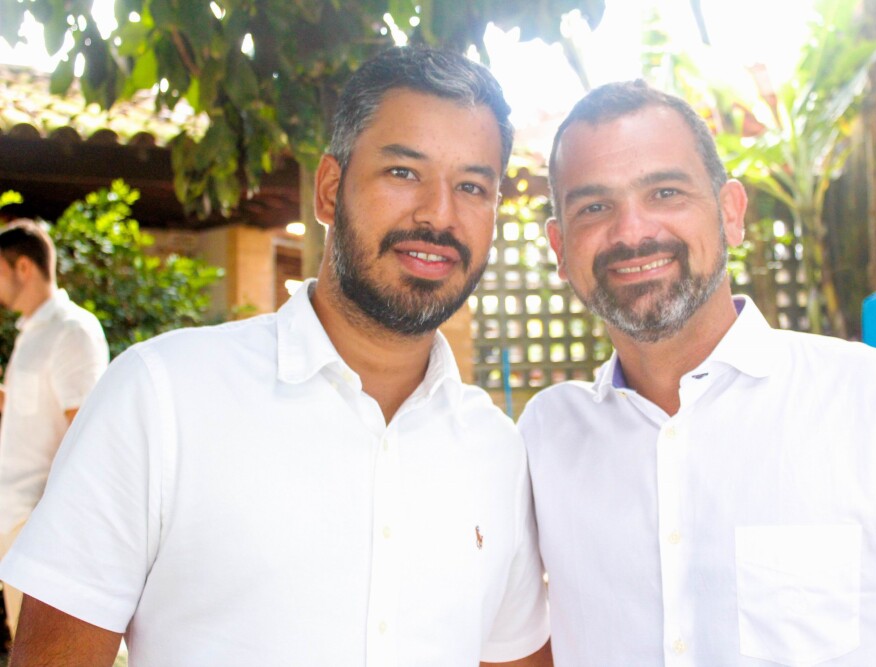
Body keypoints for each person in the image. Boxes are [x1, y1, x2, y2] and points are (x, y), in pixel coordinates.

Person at [0, 47, 551, 667]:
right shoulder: (161, 397)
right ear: (329, 190)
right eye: (403, 172)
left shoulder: (497, 451)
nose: (438, 214)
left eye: (472, 186)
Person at [519, 79, 876, 667]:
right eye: (594, 207)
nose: (633, 231)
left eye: (666, 192)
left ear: (730, 213)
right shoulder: (544, 437)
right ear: (560, 246)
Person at [0, 220, 109, 640]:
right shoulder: (32, 331)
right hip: (14, 518)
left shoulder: (72, 330)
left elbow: (85, 431)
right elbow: (35, 410)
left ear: (23, 267)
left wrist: (56, 529)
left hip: (38, 526)